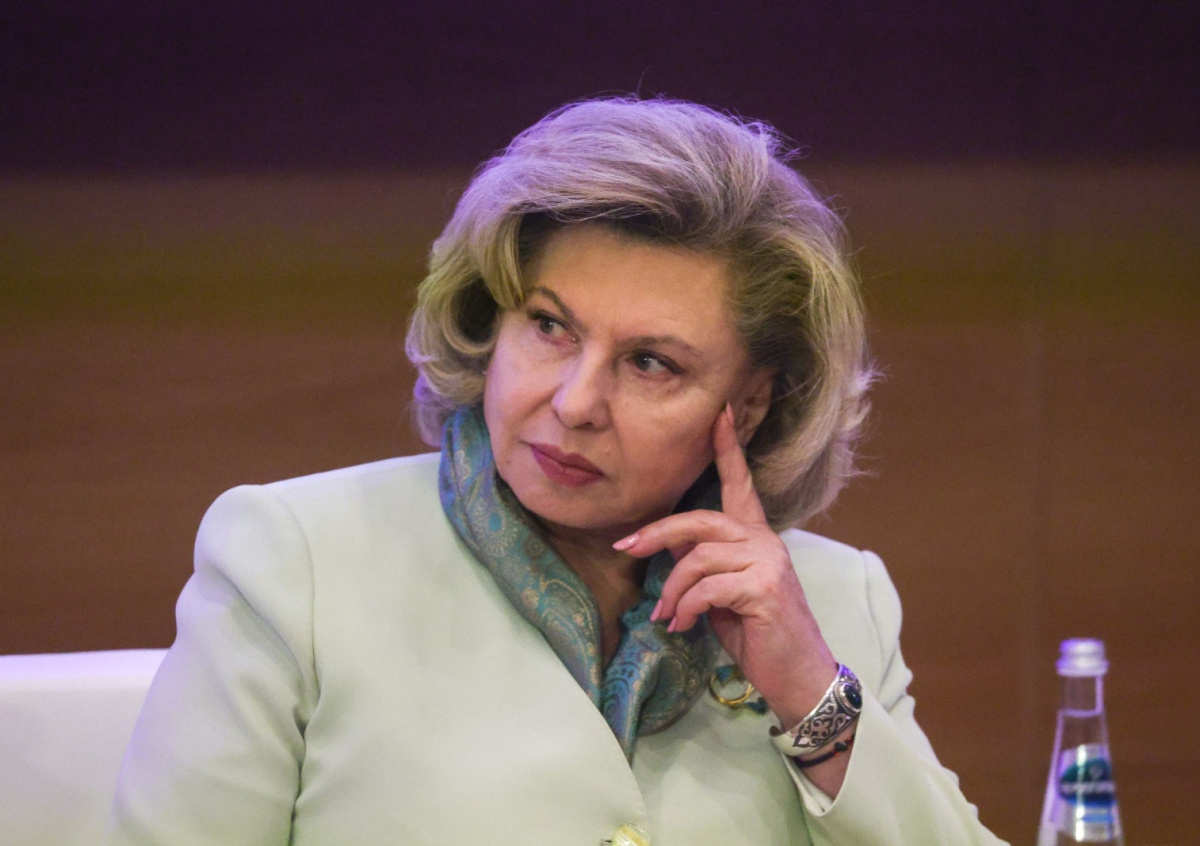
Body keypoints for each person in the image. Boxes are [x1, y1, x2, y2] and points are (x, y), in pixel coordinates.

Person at [107, 97, 1006, 845]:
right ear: (490, 320)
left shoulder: (833, 605)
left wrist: (813, 696)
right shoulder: (296, 563)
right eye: (549, 326)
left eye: (651, 363)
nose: (576, 402)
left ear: (751, 403)